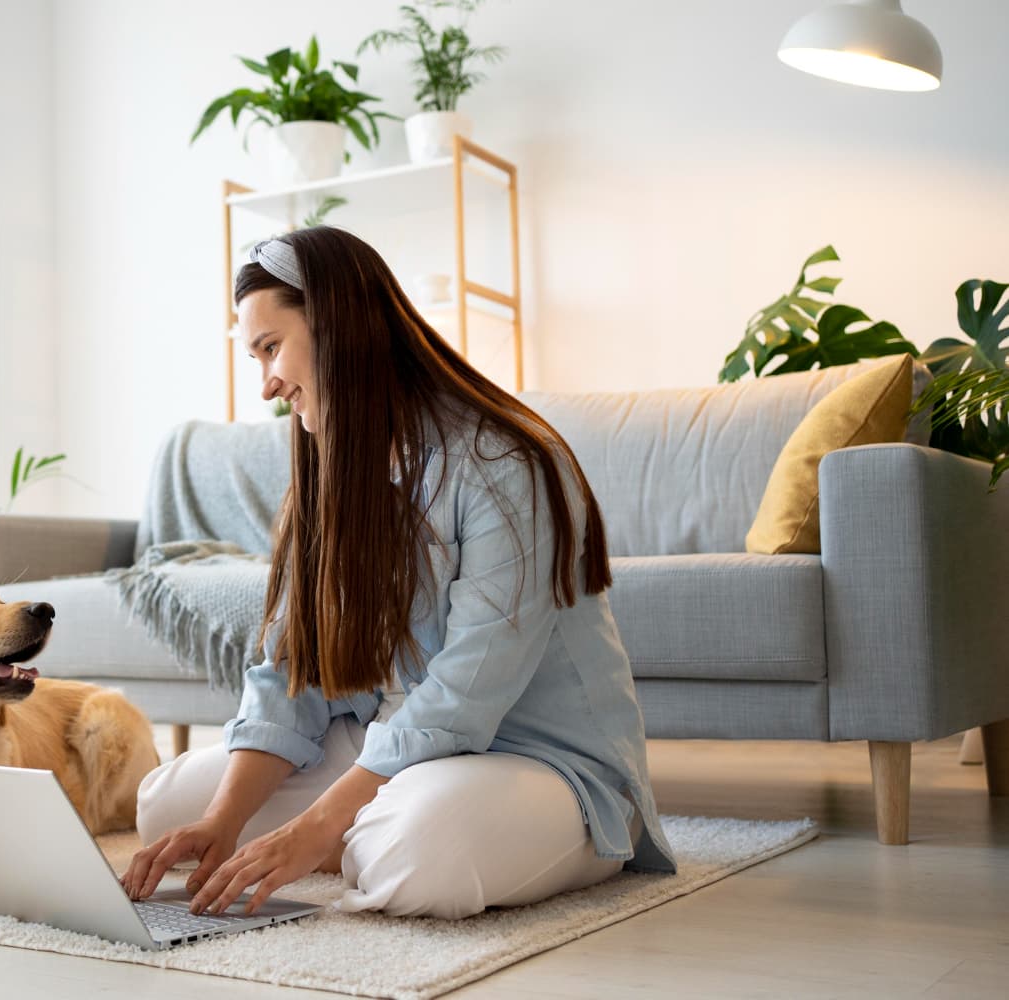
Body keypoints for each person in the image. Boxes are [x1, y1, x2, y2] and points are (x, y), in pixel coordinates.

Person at [119, 227, 676, 921]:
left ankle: (362, 840)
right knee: (167, 808)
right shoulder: (331, 473)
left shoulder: (505, 464)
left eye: (271, 348)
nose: (266, 383)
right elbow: (291, 672)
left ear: (337, 327)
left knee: (417, 855)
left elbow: (466, 693)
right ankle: (352, 836)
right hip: (400, 746)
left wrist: (318, 823)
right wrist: (224, 821)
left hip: (538, 759)